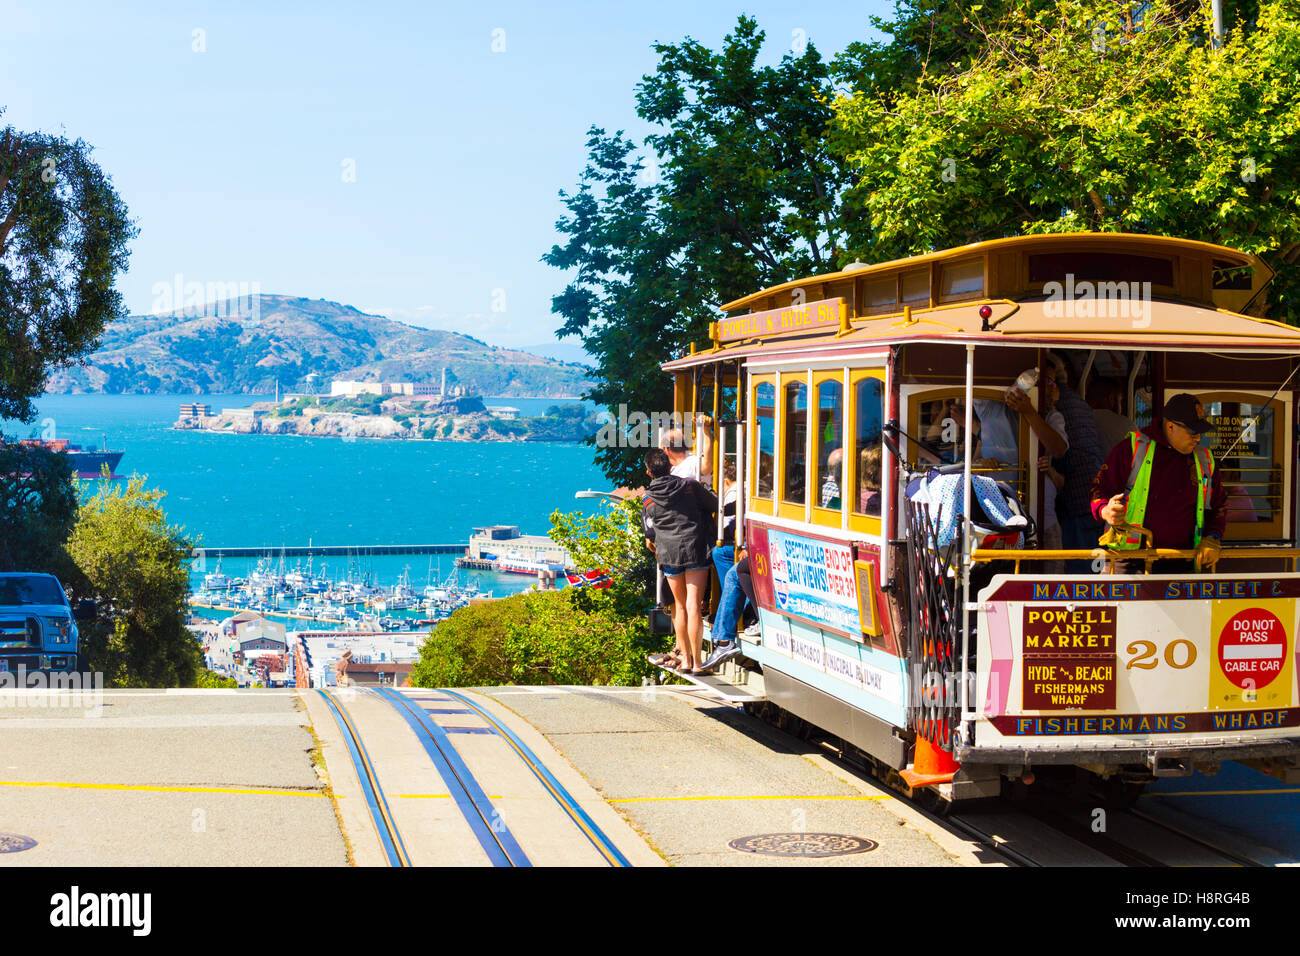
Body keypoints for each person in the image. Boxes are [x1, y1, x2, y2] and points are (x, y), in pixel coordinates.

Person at [1091, 393, 1228, 571]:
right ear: (1170, 426)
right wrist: (1105, 510)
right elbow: (1098, 489)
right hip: (1129, 562)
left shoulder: (1205, 459)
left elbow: (1219, 505)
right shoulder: (1131, 449)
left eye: (1201, 432)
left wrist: (1213, 537)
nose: (1198, 438)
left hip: (1184, 562)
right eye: (1193, 432)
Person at [642, 448, 717, 673]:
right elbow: (714, 505)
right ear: (670, 467)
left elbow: (651, 529)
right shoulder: (690, 486)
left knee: (680, 606)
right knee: (694, 605)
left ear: (649, 472)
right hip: (695, 548)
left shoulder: (647, 498)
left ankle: (684, 659)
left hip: (669, 553)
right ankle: (698, 663)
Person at [1044, 354, 1106, 570]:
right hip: (1094, 490)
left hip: (1075, 497)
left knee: (1077, 568)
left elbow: (1061, 452)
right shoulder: (1079, 402)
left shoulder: (1057, 408)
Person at [1005, 364, 1068, 568]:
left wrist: (1029, 412)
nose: (1051, 387)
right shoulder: (1005, 413)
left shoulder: (1052, 416)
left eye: (1052, 382)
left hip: (1045, 518)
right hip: (1008, 518)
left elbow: (1058, 449)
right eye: (1046, 382)